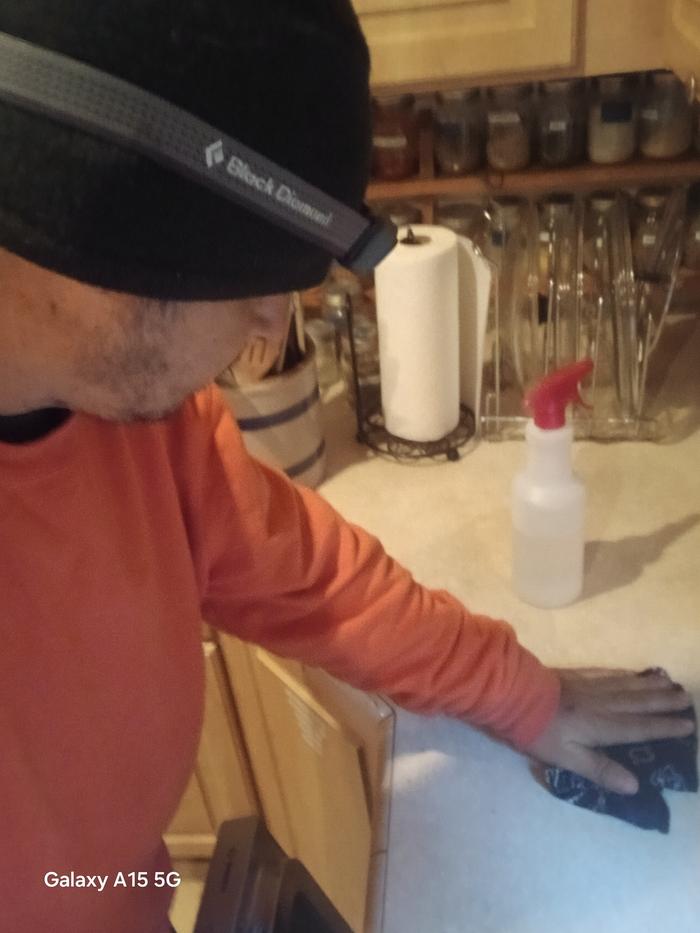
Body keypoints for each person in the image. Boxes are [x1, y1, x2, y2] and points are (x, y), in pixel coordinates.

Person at [0, 3, 694, 932]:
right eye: (248, 265)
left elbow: (318, 582)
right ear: (84, 212)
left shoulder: (142, 430)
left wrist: (523, 692)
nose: (271, 323)